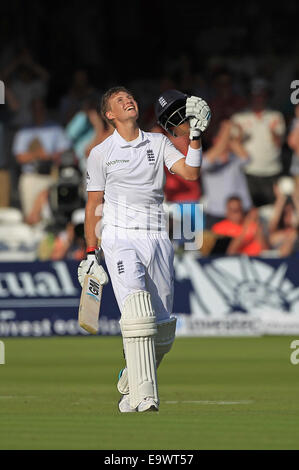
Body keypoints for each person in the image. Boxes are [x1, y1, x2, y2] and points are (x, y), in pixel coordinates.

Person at [77, 86, 210, 413]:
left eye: (130, 97)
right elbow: (94, 204)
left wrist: (194, 137)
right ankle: (145, 396)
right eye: (119, 100)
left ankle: (129, 378)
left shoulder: (158, 141)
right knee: (136, 310)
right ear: (110, 114)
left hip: (157, 237)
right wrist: (91, 252)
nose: (128, 101)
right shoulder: (100, 152)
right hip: (119, 236)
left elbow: (191, 173)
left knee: (162, 331)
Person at [231, 78, 286, 207]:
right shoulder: (239, 117)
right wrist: (239, 136)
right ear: (250, 96)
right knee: (251, 210)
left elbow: (280, 144)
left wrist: (273, 132)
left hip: (272, 170)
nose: (259, 99)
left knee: (273, 209)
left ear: (267, 96)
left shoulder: (276, 116)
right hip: (249, 171)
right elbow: (233, 145)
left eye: (262, 95)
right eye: (255, 95)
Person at [12, 98, 71, 217]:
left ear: (45, 110)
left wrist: (50, 156)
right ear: (31, 111)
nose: (38, 111)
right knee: (31, 216)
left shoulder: (55, 128)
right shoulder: (24, 131)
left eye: (40, 109)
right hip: (30, 176)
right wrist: (38, 154)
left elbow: (66, 150)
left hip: (51, 176)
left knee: (50, 216)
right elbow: (19, 157)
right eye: (35, 109)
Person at [201, 120, 252, 229]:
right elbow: (210, 158)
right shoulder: (205, 159)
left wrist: (233, 138)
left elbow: (247, 158)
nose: (226, 141)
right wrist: (227, 130)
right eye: (224, 138)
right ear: (215, 140)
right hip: (218, 214)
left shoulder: (235, 157)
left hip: (242, 211)